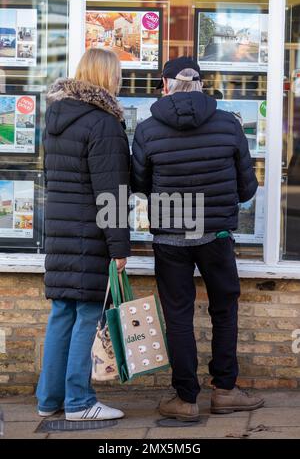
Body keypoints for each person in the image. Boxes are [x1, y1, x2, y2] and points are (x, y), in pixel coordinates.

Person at [131, 56, 264, 421]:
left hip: (170, 237)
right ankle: (225, 391)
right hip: (216, 234)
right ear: (201, 84)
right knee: (224, 310)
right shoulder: (228, 123)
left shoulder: (147, 129)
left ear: (166, 85)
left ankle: (186, 399)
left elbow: (140, 185)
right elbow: (247, 187)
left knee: (177, 316)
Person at [37, 48, 130, 421]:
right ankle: (79, 402)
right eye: (119, 74)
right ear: (107, 77)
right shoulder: (102, 123)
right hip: (88, 233)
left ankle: (48, 399)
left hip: (60, 229)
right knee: (88, 314)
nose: (121, 81)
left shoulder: (57, 117)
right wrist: (119, 247)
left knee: (62, 312)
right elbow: (111, 193)